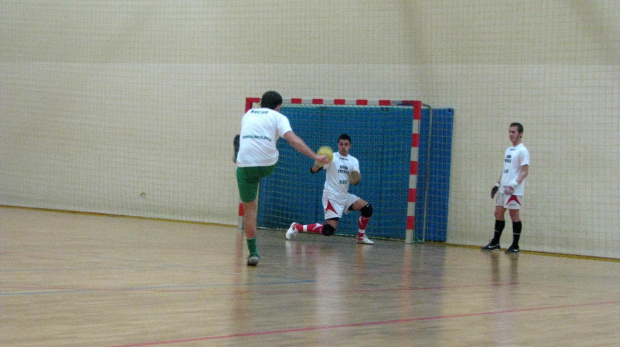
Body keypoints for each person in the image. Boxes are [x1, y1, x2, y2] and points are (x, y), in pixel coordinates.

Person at [236, 91, 329, 266]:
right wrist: (315, 157)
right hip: (267, 165)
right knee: (271, 151)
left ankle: (253, 252)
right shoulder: (279, 117)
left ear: (261, 103)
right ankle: (248, 154)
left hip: (245, 164)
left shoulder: (248, 114)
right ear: (278, 107)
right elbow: (293, 141)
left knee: (249, 210)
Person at [286, 134, 375, 245]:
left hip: (344, 195)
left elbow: (356, 180)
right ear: (338, 145)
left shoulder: (353, 161)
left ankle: (360, 237)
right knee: (329, 230)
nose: (343, 146)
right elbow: (313, 170)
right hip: (331, 196)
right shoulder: (331, 157)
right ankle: (297, 227)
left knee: (367, 208)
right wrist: (317, 164)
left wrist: (355, 178)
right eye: (341, 144)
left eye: (346, 144)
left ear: (350, 146)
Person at [482, 122, 530, 253]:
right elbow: (505, 170)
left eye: (514, 132)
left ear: (520, 134)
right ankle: (495, 242)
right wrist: (497, 184)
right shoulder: (508, 150)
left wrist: (514, 185)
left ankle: (515, 245)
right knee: (498, 213)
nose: (511, 134)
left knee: (513, 215)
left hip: (514, 190)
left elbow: (525, 171)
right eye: (509, 132)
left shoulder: (522, 151)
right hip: (503, 188)